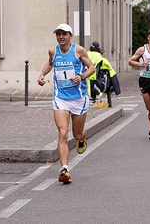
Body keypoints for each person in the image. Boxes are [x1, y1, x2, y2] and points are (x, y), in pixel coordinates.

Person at [38, 24, 95, 184]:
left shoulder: (79, 51)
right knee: (63, 132)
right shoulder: (53, 51)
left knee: (77, 134)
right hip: (60, 97)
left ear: (70, 35)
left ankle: (82, 138)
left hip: (78, 98)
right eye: (58, 34)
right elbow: (50, 63)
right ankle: (64, 169)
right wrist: (42, 74)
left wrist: (82, 77)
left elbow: (92, 68)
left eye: (64, 34)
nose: (61, 37)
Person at [129, 28, 150, 140]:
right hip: (144, 79)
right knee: (149, 106)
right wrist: (141, 64)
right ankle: (149, 111)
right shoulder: (142, 50)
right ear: (148, 38)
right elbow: (130, 61)